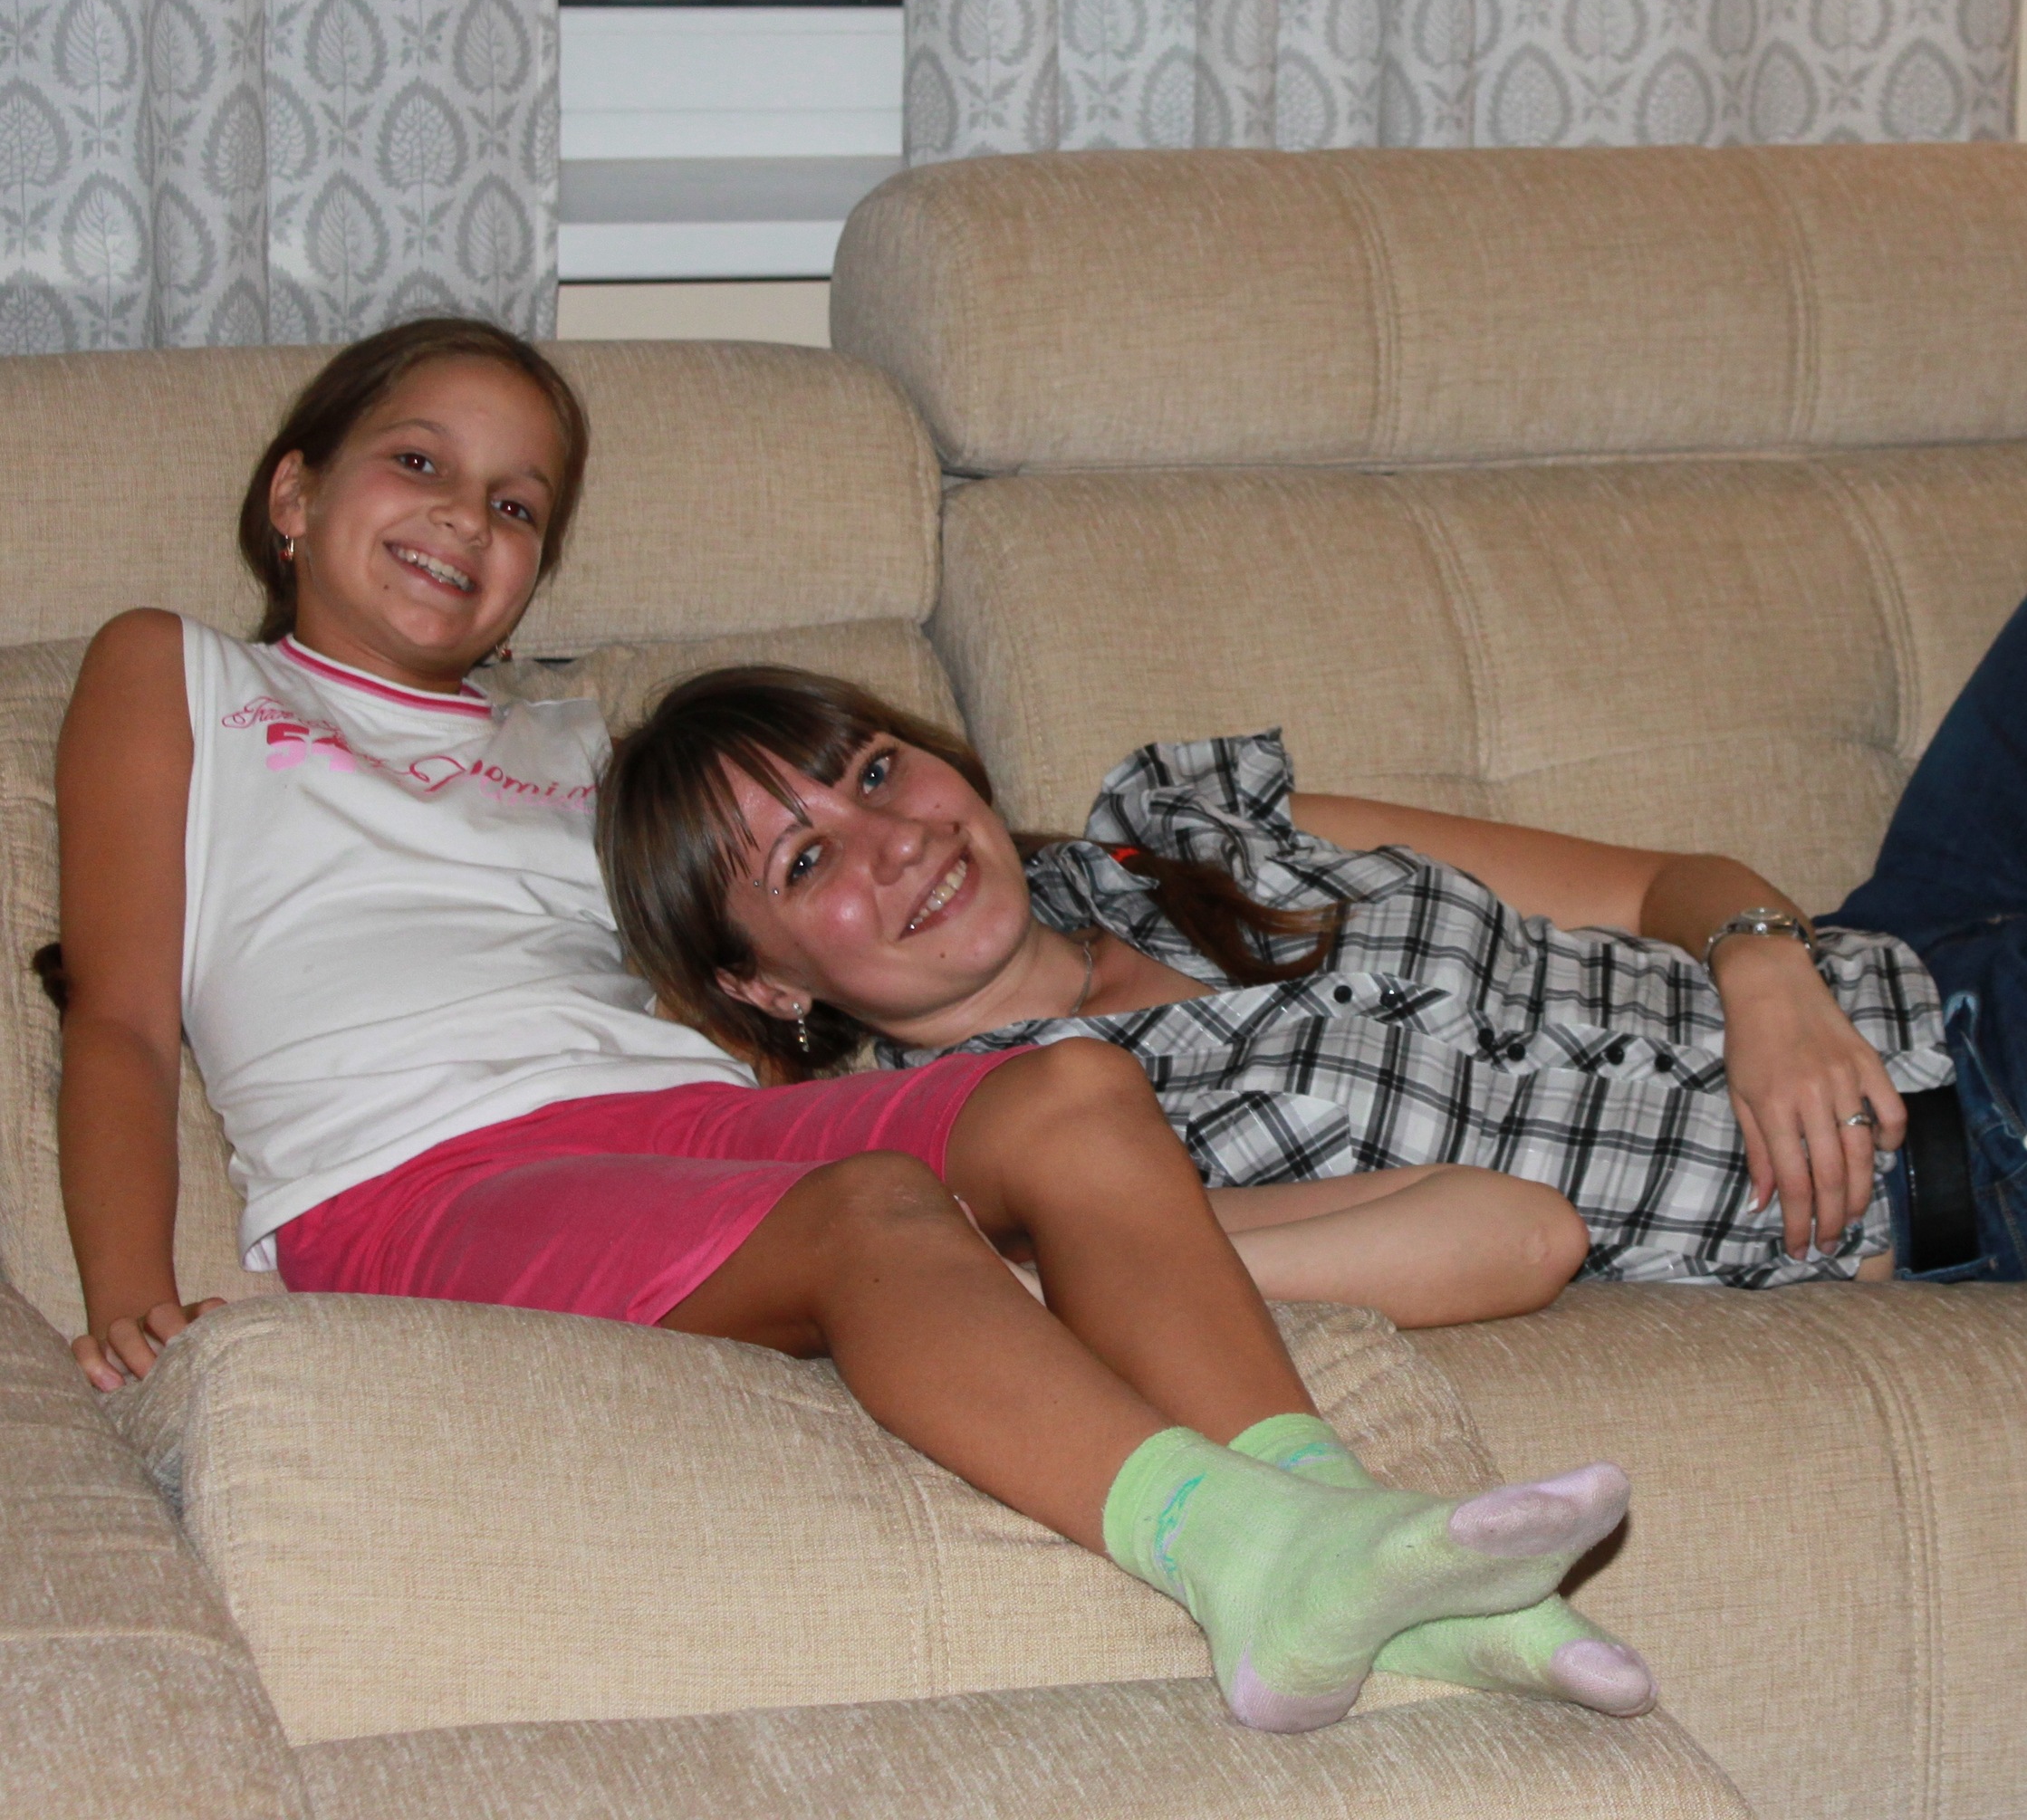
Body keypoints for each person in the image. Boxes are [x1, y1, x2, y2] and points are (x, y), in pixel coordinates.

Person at [47, 317, 1648, 1734]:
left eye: (517, 504)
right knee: (869, 1204)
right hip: (426, 1175)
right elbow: (121, 1021)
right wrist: (128, 1294)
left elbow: (729, 979)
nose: (466, 518)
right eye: (419, 463)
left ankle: (1341, 1539)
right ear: (292, 493)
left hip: (683, 1123)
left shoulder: (575, 752)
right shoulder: (176, 673)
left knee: (1067, 1088)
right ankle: (1245, 1555)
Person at [597, 667, 1956, 1306]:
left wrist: (1765, 976)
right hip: (1964, 1166)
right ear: (760, 982)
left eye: (877, 770)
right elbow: (1518, 1234)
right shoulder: (1029, 1163)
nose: (897, 839)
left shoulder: (1189, 836)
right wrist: (1062, 1264)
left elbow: (1661, 883)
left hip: (1925, 954)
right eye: (808, 861)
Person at [1821, 594, 2027, 1280]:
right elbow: (1541, 1241)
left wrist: (1755, 961)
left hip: (1883, 945)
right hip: (1962, 1151)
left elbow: (1658, 885)